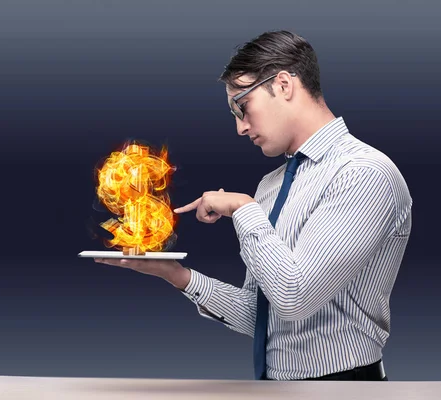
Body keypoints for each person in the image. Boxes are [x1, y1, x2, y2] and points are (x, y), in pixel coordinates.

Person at [94, 30, 412, 381]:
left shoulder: (363, 174)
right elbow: (262, 314)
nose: (240, 128)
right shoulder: (272, 185)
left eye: (242, 106)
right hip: (274, 387)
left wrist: (244, 209)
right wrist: (176, 276)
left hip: (344, 388)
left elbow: (295, 297)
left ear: (284, 85)